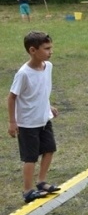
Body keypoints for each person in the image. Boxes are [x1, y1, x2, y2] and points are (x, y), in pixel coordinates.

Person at [7, 31, 62, 204]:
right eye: (46, 48)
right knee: (30, 157)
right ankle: (28, 190)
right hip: (28, 123)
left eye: (50, 48)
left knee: (49, 149)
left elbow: (41, 91)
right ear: (33, 50)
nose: (50, 51)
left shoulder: (48, 66)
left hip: (44, 119)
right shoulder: (23, 73)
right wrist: (12, 121)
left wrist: (48, 106)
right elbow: (12, 97)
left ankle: (41, 182)